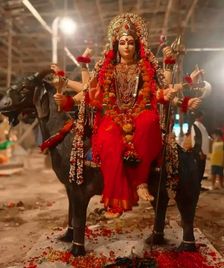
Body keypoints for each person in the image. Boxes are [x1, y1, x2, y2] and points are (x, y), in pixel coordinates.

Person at [52, 13, 202, 218]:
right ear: (116, 45)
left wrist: (179, 100)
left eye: (131, 42)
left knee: (150, 122)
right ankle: (116, 200)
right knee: (108, 138)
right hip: (113, 116)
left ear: (137, 45)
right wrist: (68, 101)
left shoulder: (144, 68)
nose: (127, 46)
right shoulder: (108, 69)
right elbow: (91, 91)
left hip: (139, 113)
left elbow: (159, 92)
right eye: (122, 42)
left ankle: (140, 182)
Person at [191, 110, 210, 186]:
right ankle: (196, 186)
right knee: (198, 170)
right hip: (199, 152)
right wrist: (200, 152)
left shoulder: (201, 125)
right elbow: (196, 139)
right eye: (202, 116)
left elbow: (204, 137)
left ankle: (198, 185)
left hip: (203, 152)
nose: (203, 117)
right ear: (200, 116)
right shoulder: (195, 125)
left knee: (201, 170)